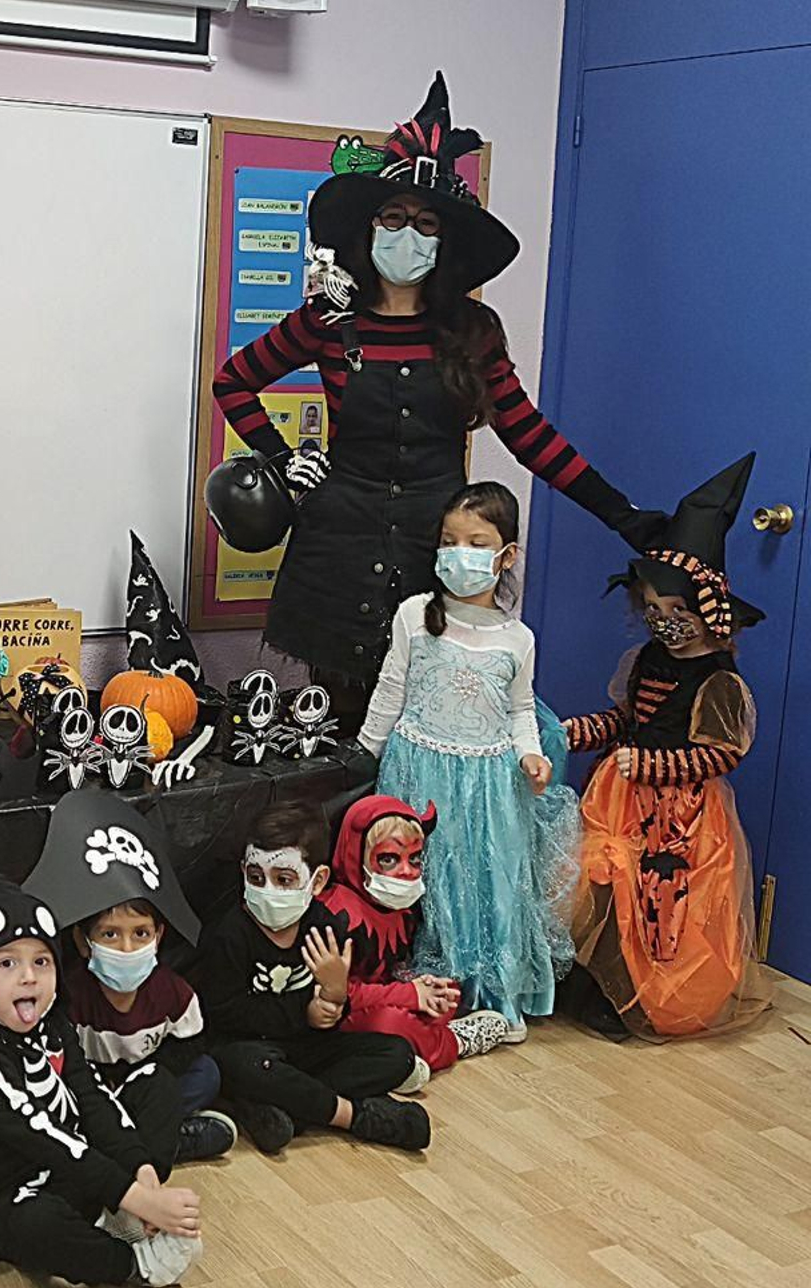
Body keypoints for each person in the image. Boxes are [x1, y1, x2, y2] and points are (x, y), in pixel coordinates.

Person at [208, 73, 661, 726]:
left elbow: (529, 435)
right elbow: (234, 381)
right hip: (336, 550)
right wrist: (281, 459)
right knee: (334, 723)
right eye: (393, 218)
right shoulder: (327, 321)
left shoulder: (472, 334)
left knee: (426, 726)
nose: (407, 234)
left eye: (424, 223)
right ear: (368, 229)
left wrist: (621, 513)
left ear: (445, 241)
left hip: (437, 555)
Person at [564, 454, 774, 1040]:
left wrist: (650, 764)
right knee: (607, 886)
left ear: (709, 610)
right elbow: (623, 719)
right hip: (620, 801)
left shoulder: (718, 679)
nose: (666, 622)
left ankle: (648, 996)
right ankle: (602, 983)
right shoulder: (642, 661)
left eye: (678, 611)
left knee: (663, 902)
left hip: (680, 818)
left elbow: (721, 753)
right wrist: (573, 733)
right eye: (653, 610)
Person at [360, 483, 580, 1029]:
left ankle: (487, 998)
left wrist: (531, 755)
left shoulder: (518, 638)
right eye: (449, 540)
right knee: (423, 880)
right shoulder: (415, 615)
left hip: (489, 785)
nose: (459, 553)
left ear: (506, 556)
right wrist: (365, 752)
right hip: (419, 773)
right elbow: (391, 688)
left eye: (476, 542)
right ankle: (424, 996)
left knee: (487, 885)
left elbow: (521, 710)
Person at [0, 878, 204, 1288]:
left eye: (41, 962)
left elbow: (91, 1096)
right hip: (23, 1187)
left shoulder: (55, 1025)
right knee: (31, 1228)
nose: (29, 977)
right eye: (7, 964)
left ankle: (126, 1212)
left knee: (156, 1085)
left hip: (81, 1168)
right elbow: (42, 1136)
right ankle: (133, 1262)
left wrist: (141, 1173)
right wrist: (133, 1195)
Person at [184, 801, 431, 1154]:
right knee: (245, 1066)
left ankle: (283, 1108)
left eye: (284, 880)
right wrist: (306, 1011)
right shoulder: (230, 934)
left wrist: (334, 997)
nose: (267, 890)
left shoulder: (326, 929)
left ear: (316, 881)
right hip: (249, 1048)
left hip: (304, 1049)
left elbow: (334, 1017)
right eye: (256, 878)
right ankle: (352, 1115)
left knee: (397, 1055)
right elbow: (223, 1014)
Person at [22, 789, 235, 1165]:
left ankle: (150, 1132)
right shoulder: (70, 994)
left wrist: (152, 1082)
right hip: (90, 1090)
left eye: (140, 934)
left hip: (149, 1084)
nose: (125, 948)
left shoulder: (173, 992)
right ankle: (165, 1141)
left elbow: (189, 1046)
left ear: (159, 936)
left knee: (206, 1076)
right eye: (109, 934)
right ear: (83, 942)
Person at [320, 794, 511, 1073]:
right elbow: (338, 994)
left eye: (415, 858)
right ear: (355, 854)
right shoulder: (337, 914)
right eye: (388, 859)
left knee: (447, 991)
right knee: (389, 1023)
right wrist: (409, 994)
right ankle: (451, 1043)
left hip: (380, 996)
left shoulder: (395, 906)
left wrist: (420, 986)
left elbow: (389, 972)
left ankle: (419, 1043)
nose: (407, 872)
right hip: (340, 1018)